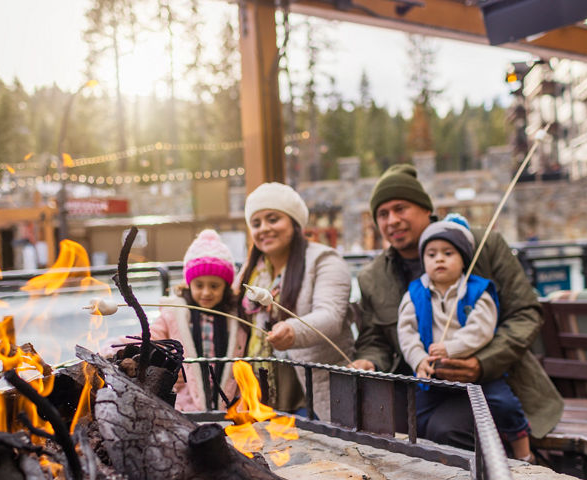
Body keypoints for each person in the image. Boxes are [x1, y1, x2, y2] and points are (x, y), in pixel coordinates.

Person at [351, 163, 562, 451]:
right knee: (375, 426)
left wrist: (481, 363)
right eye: (382, 214)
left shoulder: (483, 245)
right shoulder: (373, 277)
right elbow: (374, 339)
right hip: (425, 387)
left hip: (495, 383)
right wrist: (370, 362)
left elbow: (526, 312)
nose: (392, 221)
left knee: (444, 430)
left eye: (400, 208)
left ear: (427, 209)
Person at [398, 215, 532, 461]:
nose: (439, 258)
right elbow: (406, 332)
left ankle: (524, 453)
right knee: (416, 414)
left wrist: (452, 347)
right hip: (434, 373)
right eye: (431, 254)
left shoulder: (477, 290)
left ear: (464, 260)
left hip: (477, 373)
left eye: (448, 253)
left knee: (506, 404)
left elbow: (481, 329)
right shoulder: (414, 293)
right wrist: (418, 359)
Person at [239, 182, 354, 422]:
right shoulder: (253, 273)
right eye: (256, 223)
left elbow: (330, 315)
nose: (264, 229)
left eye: (273, 219)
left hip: (313, 392)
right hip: (263, 391)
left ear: (294, 222)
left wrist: (293, 330)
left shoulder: (324, 260)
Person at [104, 229, 246, 411]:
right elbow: (150, 338)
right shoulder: (175, 315)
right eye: (199, 285)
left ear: (225, 286)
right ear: (189, 284)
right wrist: (115, 347)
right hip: (187, 406)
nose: (206, 292)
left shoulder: (235, 318)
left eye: (214, 286)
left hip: (230, 406)